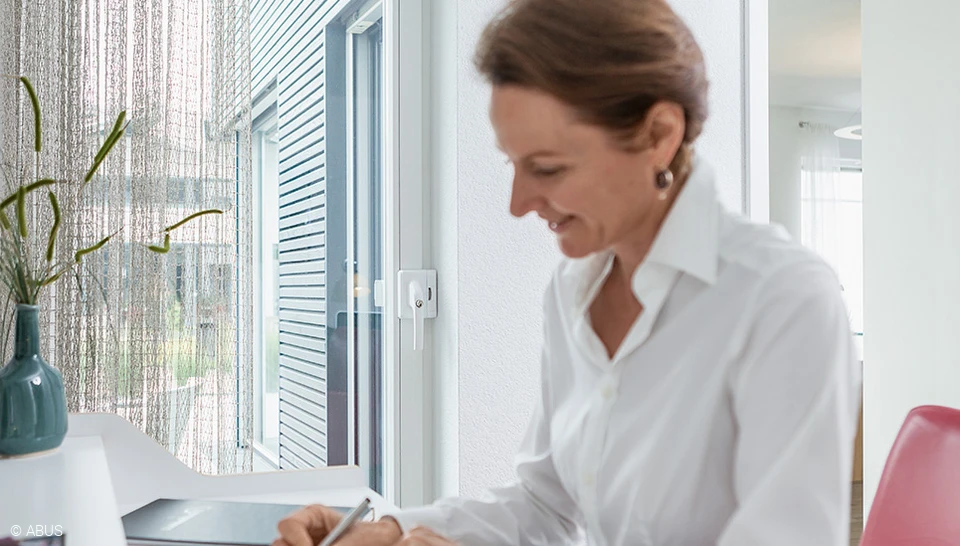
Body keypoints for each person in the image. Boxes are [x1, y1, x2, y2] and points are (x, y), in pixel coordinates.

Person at [273, 0, 862, 544]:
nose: (518, 201)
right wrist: (394, 530)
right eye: (513, 164)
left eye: (547, 168)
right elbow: (544, 507)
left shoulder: (782, 300)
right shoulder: (572, 292)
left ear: (659, 135)